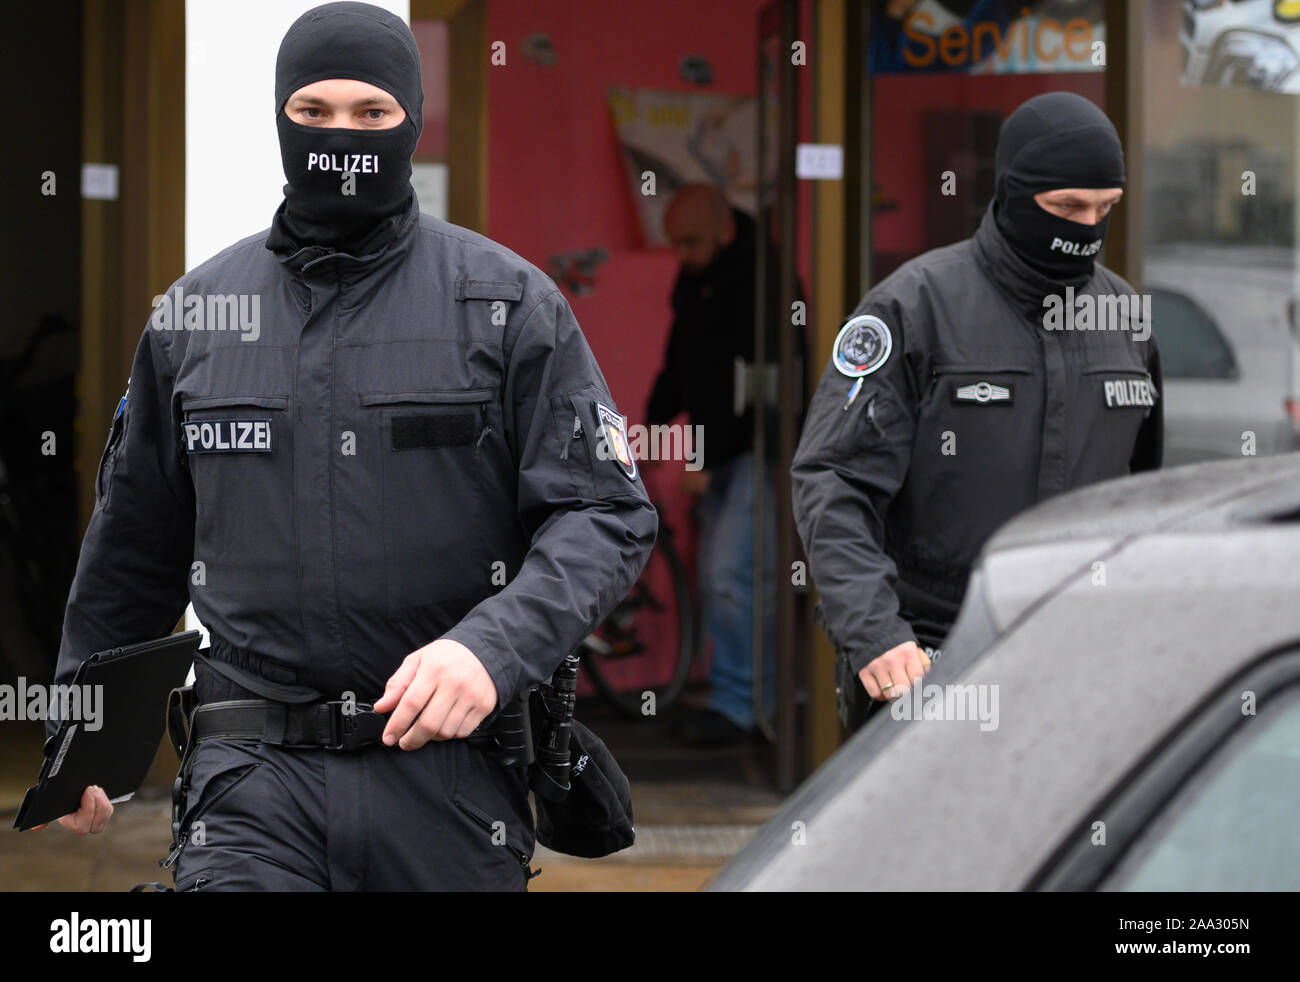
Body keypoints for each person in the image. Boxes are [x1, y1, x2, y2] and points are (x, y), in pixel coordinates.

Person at [41, 1, 656, 890]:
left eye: (371, 113)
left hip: (448, 777)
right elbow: (135, 545)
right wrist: (88, 727)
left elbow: (603, 511)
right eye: (314, 112)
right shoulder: (197, 320)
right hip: (253, 779)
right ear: (280, 120)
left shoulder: (507, 305)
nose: (342, 136)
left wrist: (492, 647)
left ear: (412, 119)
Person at [792, 92, 1161, 730]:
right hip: (930, 662)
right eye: (1067, 208)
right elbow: (834, 480)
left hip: (1078, 665)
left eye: (1106, 209)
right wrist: (875, 632)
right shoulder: (913, 308)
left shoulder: (1125, 319)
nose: (1087, 227)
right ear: (1014, 195)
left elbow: (1142, 499)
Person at [645, 184, 801, 746]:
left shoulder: (764, 279)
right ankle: (736, 697)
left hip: (758, 450)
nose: (681, 255)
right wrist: (652, 425)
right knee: (722, 575)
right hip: (721, 451)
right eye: (676, 244)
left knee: (733, 577)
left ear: (723, 228)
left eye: (690, 242)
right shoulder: (701, 274)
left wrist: (710, 458)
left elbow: (762, 384)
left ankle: (746, 705)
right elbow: (683, 358)